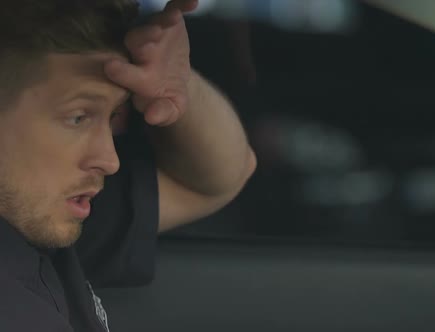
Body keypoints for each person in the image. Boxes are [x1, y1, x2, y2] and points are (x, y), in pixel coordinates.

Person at [0, 0, 257, 331]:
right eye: (78, 117)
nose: (110, 159)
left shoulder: (37, 216)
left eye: (111, 118)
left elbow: (223, 177)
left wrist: (176, 84)